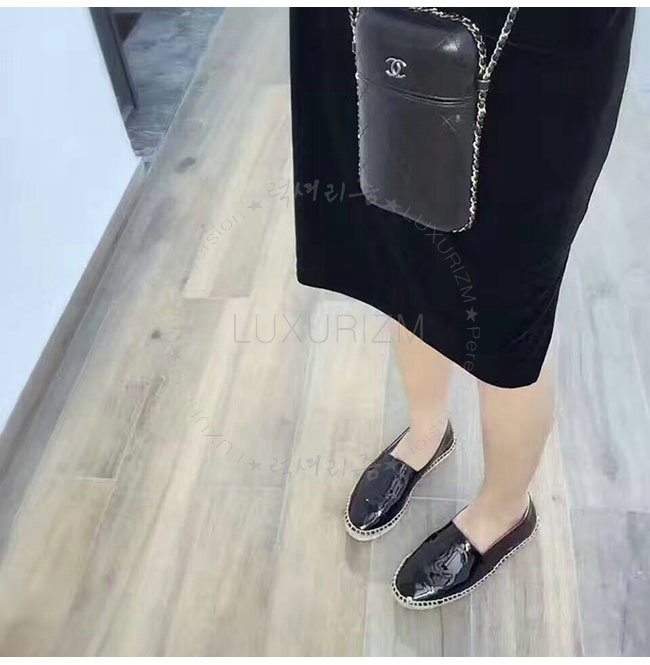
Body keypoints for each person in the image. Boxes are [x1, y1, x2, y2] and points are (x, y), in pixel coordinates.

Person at [289, 7, 635, 608]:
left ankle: (504, 509)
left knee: (508, 304)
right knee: (403, 242)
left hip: (535, 37)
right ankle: (427, 431)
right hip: (375, 18)